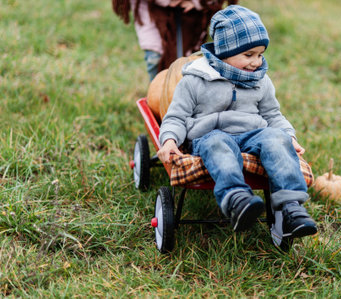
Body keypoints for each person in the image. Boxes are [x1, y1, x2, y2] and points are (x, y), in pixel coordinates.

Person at [157, 5, 317, 239]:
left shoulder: (260, 81)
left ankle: (291, 206)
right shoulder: (194, 80)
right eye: (248, 55)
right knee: (218, 145)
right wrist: (170, 140)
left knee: (276, 138)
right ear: (224, 52)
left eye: (260, 54)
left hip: (252, 133)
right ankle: (236, 198)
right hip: (210, 133)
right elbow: (177, 116)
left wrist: (288, 136)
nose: (256, 62)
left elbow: (273, 115)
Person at [112, 0, 238, 81]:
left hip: (192, 14)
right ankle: (159, 103)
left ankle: (189, 103)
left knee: (190, 62)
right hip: (151, 9)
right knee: (155, 57)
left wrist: (197, 2)